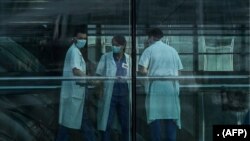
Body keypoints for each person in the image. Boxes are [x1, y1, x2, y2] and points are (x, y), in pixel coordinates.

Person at [138, 28, 183, 141]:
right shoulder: (172, 50)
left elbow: (142, 70)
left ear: (151, 37)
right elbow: (179, 72)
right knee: (171, 117)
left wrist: (153, 73)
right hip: (171, 87)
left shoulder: (149, 50)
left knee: (155, 117)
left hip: (156, 86)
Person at [56, 31, 96, 141]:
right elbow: (76, 70)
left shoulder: (75, 51)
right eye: (81, 38)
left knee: (69, 123)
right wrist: (90, 79)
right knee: (81, 122)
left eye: (85, 38)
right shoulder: (74, 51)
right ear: (75, 38)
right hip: (75, 93)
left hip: (75, 93)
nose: (83, 40)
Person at [96, 35, 131, 141]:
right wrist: (100, 90)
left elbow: (132, 75)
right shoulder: (105, 57)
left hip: (124, 94)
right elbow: (99, 75)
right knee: (106, 123)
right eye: (113, 45)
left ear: (123, 45)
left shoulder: (129, 59)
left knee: (125, 124)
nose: (114, 47)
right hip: (110, 94)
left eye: (117, 45)